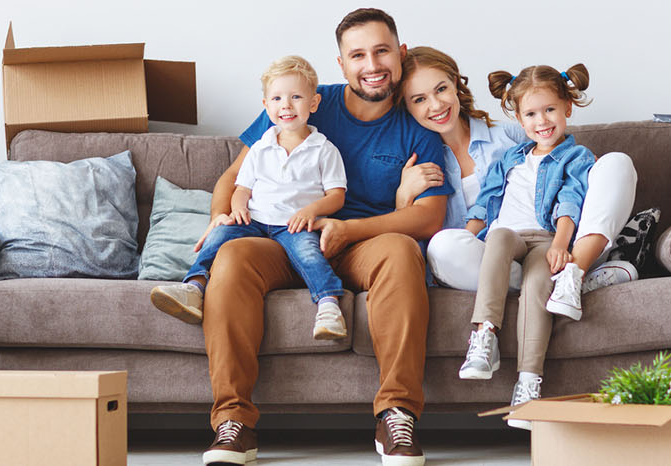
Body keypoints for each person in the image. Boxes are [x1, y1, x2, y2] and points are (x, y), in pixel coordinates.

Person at [190, 9, 450, 466]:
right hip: (279, 240)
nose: (372, 64)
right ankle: (234, 422)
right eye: (358, 55)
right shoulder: (303, 101)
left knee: (401, 250)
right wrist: (219, 217)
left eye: (382, 50)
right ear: (342, 64)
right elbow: (234, 177)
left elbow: (429, 217)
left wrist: (348, 228)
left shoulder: (417, 124)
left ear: (400, 53)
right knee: (230, 259)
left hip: (361, 246)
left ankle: (397, 414)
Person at [395, 49, 639, 408]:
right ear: (407, 107)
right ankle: (552, 290)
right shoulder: (417, 158)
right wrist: (404, 195)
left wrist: (584, 193)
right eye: (419, 99)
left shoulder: (509, 139)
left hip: (552, 244)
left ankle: (574, 272)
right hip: (493, 260)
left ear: (457, 86)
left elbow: (568, 187)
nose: (435, 104)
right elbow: (475, 211)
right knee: (444, 246)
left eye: (441, 89)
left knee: (616, 164)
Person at [149, 55, 350, 340]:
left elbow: (336, 196)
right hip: (254, 220)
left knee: (310, 254)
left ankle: (329, 307)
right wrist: (236, 208)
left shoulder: (324, 149)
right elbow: (241, 187)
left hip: (295, 225)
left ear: (314, 103)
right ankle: (193, 288)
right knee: (218, 236)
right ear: (266, 106)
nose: (286, 105)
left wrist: (312, 211)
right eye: (277, 98)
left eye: (296, 97)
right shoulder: (260, 147)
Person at [466, 63, 605, 430]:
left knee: (535, 289)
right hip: (508, 236)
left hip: (545, 240)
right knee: (496, 236)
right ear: (517, 116)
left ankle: (528, 385)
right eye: (531, 113)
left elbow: (570, 201)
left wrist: (561, 244)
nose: (541, 121)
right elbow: (485, 201)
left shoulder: (577, 157)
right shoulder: (509, 158)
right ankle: (484, 334)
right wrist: (468, 234)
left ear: (567, 109)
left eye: (549, 110)